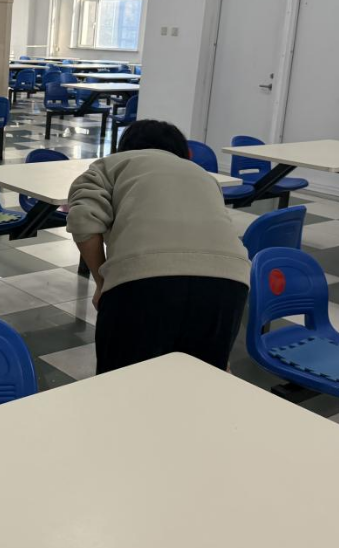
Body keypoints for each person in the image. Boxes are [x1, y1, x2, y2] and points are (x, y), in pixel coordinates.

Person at [67, 119, 250, 375]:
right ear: (183, 152)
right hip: (229, 282)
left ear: (123, 148)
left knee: (123, 382)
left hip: (143, 281)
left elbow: (82, 220)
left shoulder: (110, 164)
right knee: (201, 379)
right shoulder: (203, 175)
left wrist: (101, 281)